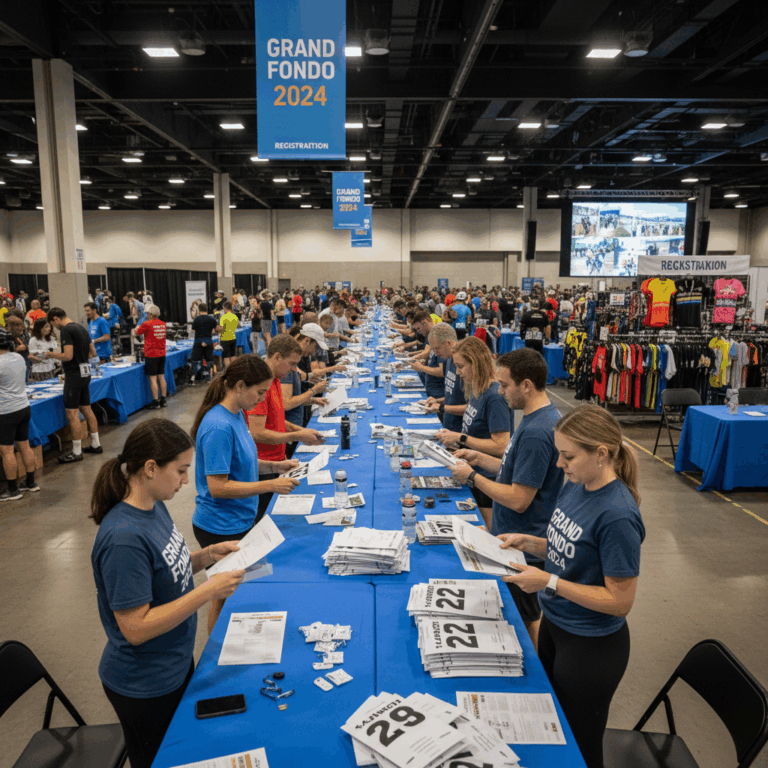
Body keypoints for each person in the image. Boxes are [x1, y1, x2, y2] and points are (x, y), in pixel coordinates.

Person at [90, 419, 246, 768]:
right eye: (181, 470)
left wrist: (207, 555)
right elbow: (135, 627)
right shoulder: (123, 539)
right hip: (145, 683)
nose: (186, 480)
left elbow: (169, 569)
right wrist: (207, 591)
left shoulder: (154, 505)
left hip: (173, 662)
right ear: (150, 468)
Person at [497, 404, 644, 768]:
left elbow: (620, 601)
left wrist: (549, 581)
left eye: (568, 456)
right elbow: (571, 547)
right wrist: (531, 543)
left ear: (601, 454)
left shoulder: (618, 515)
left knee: (579, 746)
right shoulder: (577, 485)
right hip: (556, 625)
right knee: (550, 724)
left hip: (590, 647)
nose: (559, 464)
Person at [451, 349, 562, 647]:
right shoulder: (534, 418)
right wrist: (480, 459)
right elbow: (515, 471)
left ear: (526, 385)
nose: (500, 391)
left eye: (504, 385)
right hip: (513, 538)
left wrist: (472, 477)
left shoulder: (537, 432)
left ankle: (536, 673)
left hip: (525, 545)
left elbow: (518, 498)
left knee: (526, 621)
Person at [190, 356, 300, 633]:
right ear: (240, 386)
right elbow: (218, 487)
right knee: (223, 596)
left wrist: (274, 467)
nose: (262, 398)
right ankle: (215, 651)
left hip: (239, 519)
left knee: (236, 592)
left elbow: (243, 462)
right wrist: (269, 486)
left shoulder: (238, 414)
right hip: (220, 526)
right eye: (260, 392)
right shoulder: (218, 426)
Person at [434, 336, 511, 527]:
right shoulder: (478, 390)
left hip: (487, 480)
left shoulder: (495, 397)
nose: (458, 372)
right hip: (473, 471)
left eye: (461, 366)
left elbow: (502, 446)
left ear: (476, 364)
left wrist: (462, 438)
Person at [246, 335, 326, 516]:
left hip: (277, 460)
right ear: (277, 357)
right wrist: (297, 435)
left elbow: (276, 419)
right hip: (263, 467)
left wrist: (302, 430)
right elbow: (257, 433)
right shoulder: (261, 386)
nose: (293, 369)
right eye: (291, 364)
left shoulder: (275, 380)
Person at [46, 307, 102, 462]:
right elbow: (93, 352)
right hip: (85, 372)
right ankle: (96, 444)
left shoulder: (66, 330)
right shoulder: (81, 328)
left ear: (56, 319)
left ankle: (76, 451)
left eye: (53, 324)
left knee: (72, 413)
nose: (54, 327)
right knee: (87, 409)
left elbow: (67, 355)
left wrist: (50, 354)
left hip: (74, 374)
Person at [0, 328, 39, 500]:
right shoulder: (18, 357)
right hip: (23, 407)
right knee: (24, 445)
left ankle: (12, 490)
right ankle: (30, 483)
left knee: (7, 451)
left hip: (5, 411)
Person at [281, 326, 329, 451]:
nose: (315, 352)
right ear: (307, 341)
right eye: (315, 347)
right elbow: (286, 403)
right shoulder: (286, 367)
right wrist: (313, 391)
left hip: (294, 431)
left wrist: (312, 400)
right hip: (287, 435)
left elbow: (294, 397)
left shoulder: (293, 363)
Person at [425, 323, 467, 430]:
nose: (436, 353)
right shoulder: (448, 359)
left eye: (437, 348)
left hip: (460, 429)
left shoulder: (465, 366)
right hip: (448, 425)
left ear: (448, 343)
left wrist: (442, 408)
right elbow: (453, 396)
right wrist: (437, 401)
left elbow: (473, 407)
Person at [135, 305, 168, 410]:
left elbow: (137, 332)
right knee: (161, 376)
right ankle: (163, 400)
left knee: (153, 378)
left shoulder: (147, 324)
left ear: (150, 314)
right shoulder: (163, 324)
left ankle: (155, 402)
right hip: (162, 353)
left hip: (151, 354)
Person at [189, 303, 221, 384]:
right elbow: (217, 329)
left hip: (198, 341)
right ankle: (209, 376)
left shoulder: (196, 319)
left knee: (195, 360)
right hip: (208, 341)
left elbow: (192, 332)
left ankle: (193, 378)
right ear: (206, 309)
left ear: (199, 310)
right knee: (209, 359)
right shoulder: (211, 319)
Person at [218, 302, 239, 371]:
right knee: (233, 356)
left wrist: (217, 330)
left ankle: (228, 372)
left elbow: (221, 328)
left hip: (225, 339)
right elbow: (236, 326)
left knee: (226, 357)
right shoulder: (235, 317)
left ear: (225, 308)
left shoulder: (223, 317)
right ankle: (234, 371)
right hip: (233, 337)